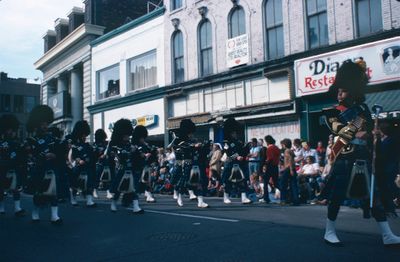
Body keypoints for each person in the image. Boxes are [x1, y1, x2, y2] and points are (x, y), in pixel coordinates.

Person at [322, 59, 400, 246]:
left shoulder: (363, 109)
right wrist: (360, 131)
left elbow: (367, 133)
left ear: (353, 90)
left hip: (364, 158)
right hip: (344, 158)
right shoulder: (331, 112)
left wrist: (374, 135)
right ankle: (329, 231)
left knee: (375, 195)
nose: (340, 94)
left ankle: (387, 234)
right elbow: (341, 132)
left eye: (344, 90)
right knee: (337, 196)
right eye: (339, 90)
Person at [25, 105, 62, 224]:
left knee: (53, 193)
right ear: (37, 125)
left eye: (46, 123)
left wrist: (55, 155)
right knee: (39, 193)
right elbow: (31, 155)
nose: (45, 126)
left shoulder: (52, 138)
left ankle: (54, 216)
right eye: (42, 124)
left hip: (51, 168)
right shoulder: (32, 140)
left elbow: (59, 152)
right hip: (39, 170)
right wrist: (42, 156)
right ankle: (35, 214)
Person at [169, 119, 208, 208]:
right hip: (183, 164)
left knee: (198, 182)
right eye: (190, 133)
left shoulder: (193, 140)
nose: (191, 134)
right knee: (182, 182)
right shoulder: (178, 140)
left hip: (194, 164)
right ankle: (179, 197)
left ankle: (200, 201)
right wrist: (193, 146)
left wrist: (202, 146)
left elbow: (198, 152)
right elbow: (179, 148)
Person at [108, 119, 143, 214]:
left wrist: (135, 151)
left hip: (131, 168)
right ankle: (114, 203)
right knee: (119, 188)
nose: (128, 137)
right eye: (126, 135)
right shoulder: (114, 144)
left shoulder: (130, 144)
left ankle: (136, 207)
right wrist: (118, 155)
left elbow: (137, 157)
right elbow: (112, 155)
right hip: (121, 169)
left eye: (128, 135)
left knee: (133, 187)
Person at [221, 118, 251, 204]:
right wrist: (237, 156)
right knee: (228, 180)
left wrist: (246, 149)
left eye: (235, 132)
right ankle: (226, 196)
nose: (235, 134)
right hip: (230, 162)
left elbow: (242, 151)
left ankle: (244, 197)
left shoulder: (239, 142)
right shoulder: (226, 142)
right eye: (233, 133)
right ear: (230, 133)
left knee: (242, 179)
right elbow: (228, 153)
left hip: (239, 163)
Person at [0, 114, 25, 216]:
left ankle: (17, 208)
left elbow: (20, 155)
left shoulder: (16, 142)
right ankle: (1, 207)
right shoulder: (1, 142)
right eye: (10, 130)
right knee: (0, 188)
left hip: (13, 167)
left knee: (15, 188)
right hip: (2, 167)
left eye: (12, 130)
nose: (12, 132)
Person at [68, 121, 96, 207]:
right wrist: (78, 160)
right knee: (75, 181)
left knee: (90, 181)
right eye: (83, 134)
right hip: (78, 165)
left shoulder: (87, 145)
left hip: (87, 166)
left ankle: (89, 200)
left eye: (85, 134)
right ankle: (73, 198)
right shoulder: (74, 144)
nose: (85, 136)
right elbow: (73, 155)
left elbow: (91, 156)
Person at [131, 125, 157, 203]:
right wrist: (142, 155)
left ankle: (148, 195)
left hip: (145, 165)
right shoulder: (133, 145)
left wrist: (152, 152)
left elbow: (151, 152)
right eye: (142, 138)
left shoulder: (145, 145)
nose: (143, 139)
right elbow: (133, 155)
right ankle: (133, 196)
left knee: (147, 180)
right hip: (136, 166)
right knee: (135, 182)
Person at [93, 129, 113, 199]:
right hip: (99, 163)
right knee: (97, 177)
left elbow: (110, 153)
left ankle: (108, 192)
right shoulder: (95, 145)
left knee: (107, 178)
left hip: (106, 163)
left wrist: (109, 154)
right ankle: (95, 190)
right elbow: (93, 154)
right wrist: (99, 156)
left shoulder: (106, 144)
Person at [260, 135, 280, 203]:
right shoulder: (276, 147)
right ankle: (284, 195)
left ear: (267, 141)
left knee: (265, 183)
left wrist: (265, 162)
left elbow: (270, 158)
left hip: (270, 166)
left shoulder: (269, 148)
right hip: (275, 167)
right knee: (276, 183)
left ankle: (266, 198)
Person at [279, 138, 299, 206]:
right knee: (293, 184)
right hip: (292, 168)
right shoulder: (291, 150)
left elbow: (290, 159)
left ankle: (283, 199)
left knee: (282, 184)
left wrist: (290, 169)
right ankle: (295, 200)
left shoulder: (286, 151)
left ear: (284, 145)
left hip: (288, 168)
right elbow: (293, 158)